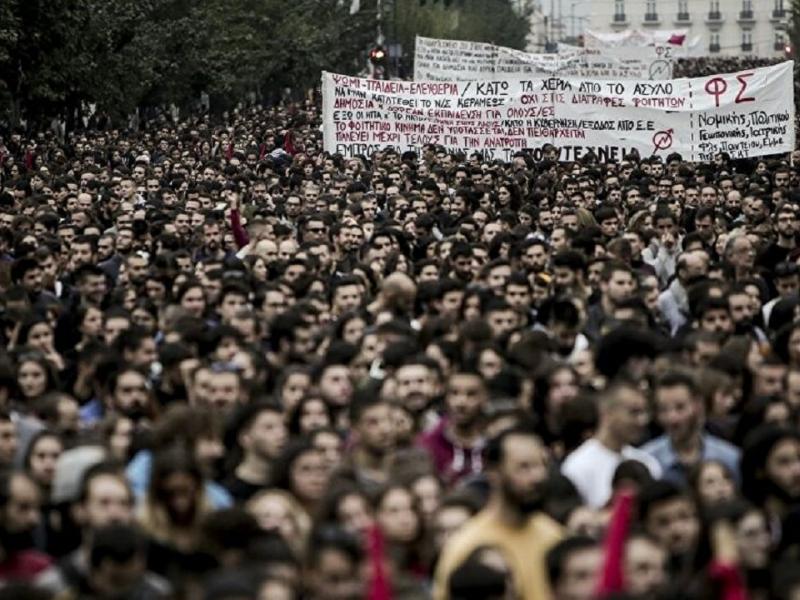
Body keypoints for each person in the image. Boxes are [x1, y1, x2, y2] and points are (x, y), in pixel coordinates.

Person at [433, 426, 564, 600]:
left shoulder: (554, 536)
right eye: (524, 467)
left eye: (542, 465)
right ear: (494, 473)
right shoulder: (465, 546)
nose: (538, 477)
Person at [562, 380, 661, 508]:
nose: (642, 421)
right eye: (633, 412)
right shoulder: (577, 467)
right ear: (607, 413)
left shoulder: (647, 462)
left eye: (644, 412)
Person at [642, 370, 740, 486]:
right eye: (663, 409)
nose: (672, 418)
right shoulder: (646, 461)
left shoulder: (729, 459)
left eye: (680, 407)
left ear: (698, 405)